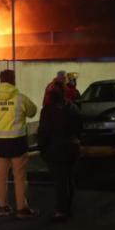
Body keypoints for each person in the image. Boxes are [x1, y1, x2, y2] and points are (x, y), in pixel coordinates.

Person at [0, 69, 39, 218]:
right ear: (13, 80)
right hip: (18, 143)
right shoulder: (20, 98)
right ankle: (22, 208)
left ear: (1, 80)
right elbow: (33, 111)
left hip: (0, 143)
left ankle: (3, 207)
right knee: (19, 177)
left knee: (1, 176)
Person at [37, 82, 84, 222]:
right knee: (69, 179)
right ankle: (67, 208)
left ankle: (61, 210)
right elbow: (80, 128)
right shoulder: (73, 108)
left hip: (55, 150)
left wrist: (42, 148)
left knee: (60, 182)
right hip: (72, 148)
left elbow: (43, 132)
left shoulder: (47, 110)